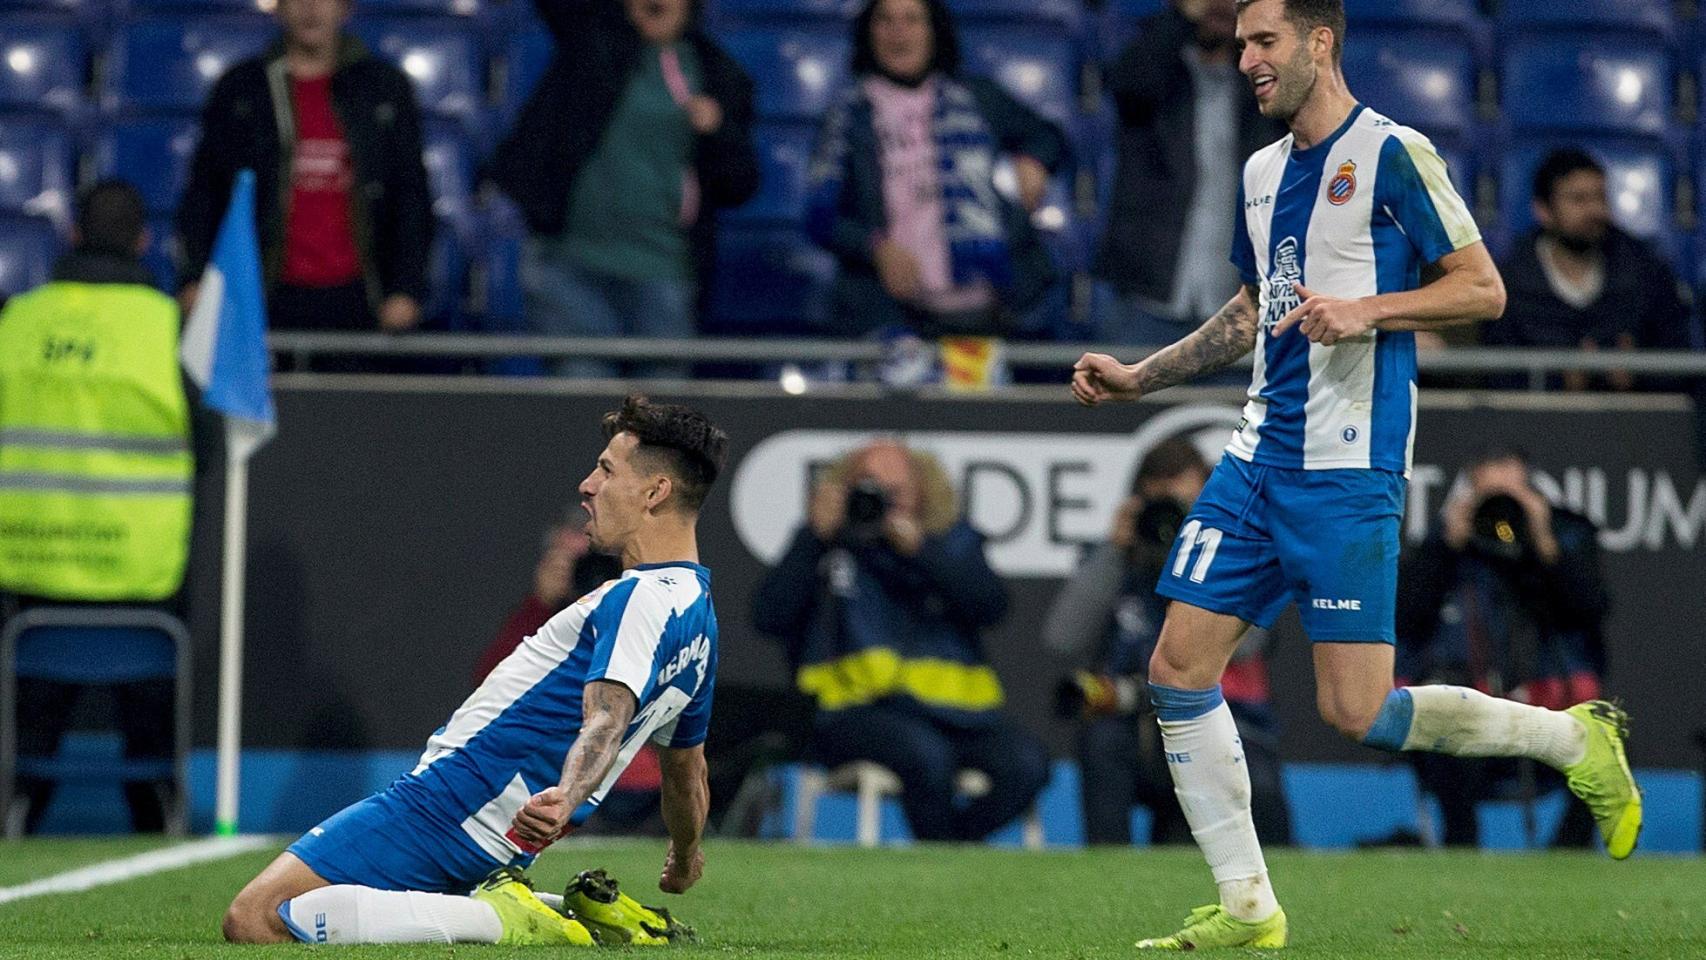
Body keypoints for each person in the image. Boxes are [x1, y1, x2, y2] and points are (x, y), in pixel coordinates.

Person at [1070, 0, 1639, 949]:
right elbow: (1255, 311)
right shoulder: (1260, 171)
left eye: (1264, 43)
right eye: (1242, 43)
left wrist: (1369, 309)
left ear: (1318, 42)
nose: (1246, 60)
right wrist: (1142, 376)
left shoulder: (1394, 153)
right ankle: (1249, 908)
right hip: (1259, 456)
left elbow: (1483, 289)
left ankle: (1576, 740)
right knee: (1176, 667)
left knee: (1358, 711)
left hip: (1349, 470)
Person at [221, 396, 727, 946]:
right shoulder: (699, 621)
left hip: (447, 806)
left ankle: (506, 919)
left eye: (606, 470)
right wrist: (682, 855)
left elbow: (607, 716)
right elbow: (687, 774)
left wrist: (567, 796)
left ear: (655, 492)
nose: (587, 485)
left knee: (257, 918)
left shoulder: (638, 598)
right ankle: (585, 916)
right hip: (503, 835)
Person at [0, 181, 193, 835]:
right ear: (144, 242)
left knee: (25, 746)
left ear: (73, 236)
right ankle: (156, 825)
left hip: (28, 570)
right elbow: (212, 452)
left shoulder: (18, 320)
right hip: (140, 575)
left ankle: (18, 817)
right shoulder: (167, 328)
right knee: (151, 744)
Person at [751, 439, 1049, 843]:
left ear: (923, 494)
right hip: (852, 714)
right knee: (926, 755)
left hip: (957, 717)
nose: (883, 502)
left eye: (896, 492)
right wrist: (813, 538)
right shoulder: (826, 545)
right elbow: (769, 618)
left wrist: (922, 553)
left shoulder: (948, 542)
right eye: (870, 488)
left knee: (1028, 764)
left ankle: (951, 850)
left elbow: (991, 607)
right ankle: (944, 863)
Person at [487, 0, 758, 379]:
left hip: (663, 269)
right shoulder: (592, 41)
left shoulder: (719, 75)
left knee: (662, 421)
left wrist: (719, 132)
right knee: (582, 412)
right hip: (571, 265)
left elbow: (739, 185)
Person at [1044, 439, 1290, 848]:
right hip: (1134, 733)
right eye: (1163, 505)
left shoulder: (1237, 554)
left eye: (1186, 505)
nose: (1173, 521)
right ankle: (1105, 882)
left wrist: (1203, 553)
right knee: (1102, 741)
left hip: (1224, 727)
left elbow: (1248, 645)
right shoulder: (1118, 560)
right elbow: (1062, 637)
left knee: (1255, 793)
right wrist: (1115, 551)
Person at [175, 0, 433, 355]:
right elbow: (205, 193)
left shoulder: (383, 89)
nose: (310, 8)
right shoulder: (242, 90)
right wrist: (195, 276)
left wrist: (406, 289)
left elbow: (411, 197)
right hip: (263, 295)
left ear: (345, 8)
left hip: (359, 298)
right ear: (278, 8)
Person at [804, 0, 1071, 341]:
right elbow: (819, 218)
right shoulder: (846, 116)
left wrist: (1034, 161)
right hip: (889, 316)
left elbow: (1049, 137)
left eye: (912, 20)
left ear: (935, 32)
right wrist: (876, 248)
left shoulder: (976, 98)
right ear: (868, 33)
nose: (898, 32)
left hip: (985, 312)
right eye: (885, 20)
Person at [1396, 447, 1608, 849]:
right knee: (1442, 737)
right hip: (1474, 721)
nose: (1501, 509)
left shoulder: (1564, 535)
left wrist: (1544, 541)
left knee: (1607, 745)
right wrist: (1447, 544)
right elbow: (1407, 617)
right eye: (1488, 495)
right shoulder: (1450, 546)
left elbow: (1589, 610)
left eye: (1511, 493)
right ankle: (1461, 849)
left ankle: (1567, 858)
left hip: (1551, 711)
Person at [1093, 0, 1284, 349]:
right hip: (1146, 301)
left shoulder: (1261, 89)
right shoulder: (1153, 69)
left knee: (1234, 406)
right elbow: (1129, 85)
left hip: (1236, 306)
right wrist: (1185, 16)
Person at [473, 524, 659, 836]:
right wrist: (541, 604)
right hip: (541, 774)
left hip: (629, 782)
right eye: (570, 562)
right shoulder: (537, 622)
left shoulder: (634, 611)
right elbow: (491, 680)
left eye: (591, 559)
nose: (585, 571)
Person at [1485, 148, 1697, 390]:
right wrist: (1559, 382)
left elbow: (1679, 363)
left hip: (1633, 422)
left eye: (1600, 197)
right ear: (1543, 211)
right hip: (1536, 423)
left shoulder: (1646, 271)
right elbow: (1497, 378)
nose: (1595, 211)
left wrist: (1637, 377)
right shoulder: (1509, 281)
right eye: (1578, 199)